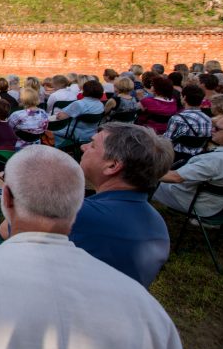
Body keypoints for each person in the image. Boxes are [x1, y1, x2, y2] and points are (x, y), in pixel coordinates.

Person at [0, 145, 192, 349]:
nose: (87, 145)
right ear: (78, 204)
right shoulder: (143, 306)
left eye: (95, 145)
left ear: (6, 199)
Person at [61, 123, 174, 287]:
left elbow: (13, 228)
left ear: (112, 165)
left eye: (92, 145)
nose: (83, 147)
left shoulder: (81, 214)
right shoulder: (158, 224)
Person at [154, 114, 223, 217]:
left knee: (145, 181)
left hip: (192, 203)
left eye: (217, 129)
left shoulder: (217, 160)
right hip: (217, 203)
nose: (212, 130)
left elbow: (175, 178)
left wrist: (141, 172)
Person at [163, 84, 212, 163]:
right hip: (199, 156)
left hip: (178, 158)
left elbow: (167, 141)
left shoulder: (177, 119)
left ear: (184, 97)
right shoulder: (207, 119)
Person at [55, 79, 106, 147]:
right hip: (92, 133)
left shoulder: (79, 104)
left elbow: (60, 117)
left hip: (75, 133)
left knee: (49, 130)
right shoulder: (100, 104)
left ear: (85, 91)